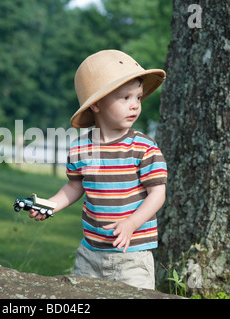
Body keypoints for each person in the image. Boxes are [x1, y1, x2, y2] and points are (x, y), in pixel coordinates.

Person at [29, 50, 167, 290]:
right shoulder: (81, 147)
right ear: (96, 104)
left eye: (138, 97)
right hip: (90, 254)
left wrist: (131, 223)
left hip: (132, 256)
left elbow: (157, 194)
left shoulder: (145, 148)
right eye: (125, 98)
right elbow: (75, 186)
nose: (134, 105)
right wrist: (50, 205)